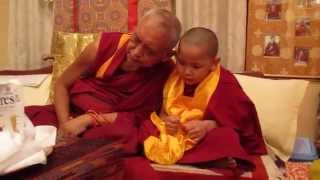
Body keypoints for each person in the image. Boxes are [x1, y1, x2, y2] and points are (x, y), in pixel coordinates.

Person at [25, 9, 181, 154]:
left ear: (166, 55)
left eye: (150, 51)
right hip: (70, 114)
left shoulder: (167, 72)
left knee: (128, 135)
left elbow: (144, 117)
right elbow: (62, 85)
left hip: (107, 126)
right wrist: (66, 125)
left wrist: (89, 119)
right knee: (24, 121)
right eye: (137, 39)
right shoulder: (102, 47)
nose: (136, 52)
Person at [136, 27, 267, 174]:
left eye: (196, 66)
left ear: (213, 62)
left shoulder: (224, 82)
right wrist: (167, 121)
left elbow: (241, 122)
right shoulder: (172, 75)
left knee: (228, 137)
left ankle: (208, 157)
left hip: (202, 136)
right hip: (173, 133)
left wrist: (208, 125)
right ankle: (208, 160)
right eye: (181, 63)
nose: (187, 71)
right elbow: (161, 113)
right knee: (146, 127)